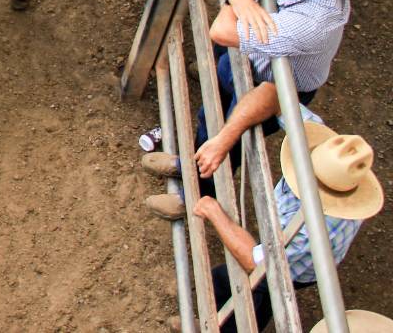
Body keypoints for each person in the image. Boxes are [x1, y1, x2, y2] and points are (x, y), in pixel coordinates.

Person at [141, 0, 361, 199]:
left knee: (232, 145)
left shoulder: (317, 21)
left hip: (274, 88)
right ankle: (189, 163)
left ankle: (198, 196)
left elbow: (221, 31)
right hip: (244, 57)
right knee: (211, 114)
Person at [148, 123, 383, 333]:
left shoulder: (311, 235)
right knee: (241, 286)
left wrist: (215, 212)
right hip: (293, 248)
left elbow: (259, 264)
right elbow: (275, 98)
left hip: (294, 266)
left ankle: (221, 326)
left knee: (252, 290)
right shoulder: (336, 163)